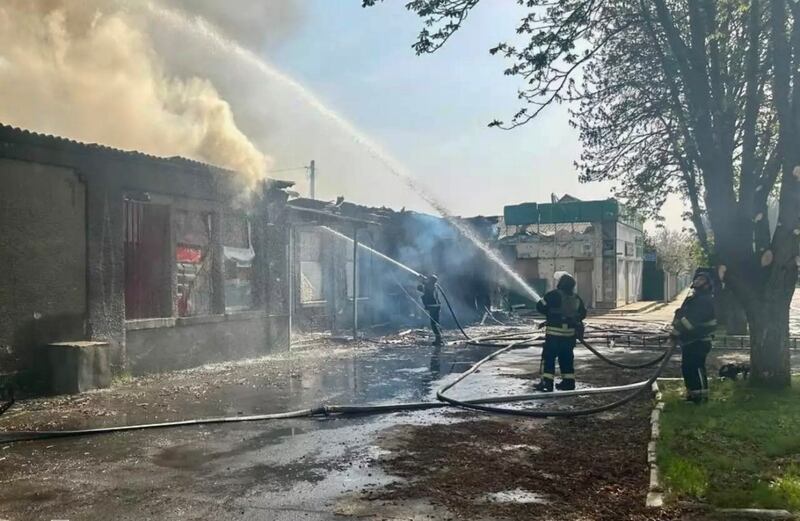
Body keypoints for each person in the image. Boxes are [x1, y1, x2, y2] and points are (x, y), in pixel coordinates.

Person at [534, 271, 587, 392]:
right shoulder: (576, 298)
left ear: (560, 284)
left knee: (549, 358)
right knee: (566, 358)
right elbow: (583, 313)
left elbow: (540, 306)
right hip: (569, 336)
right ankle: (568, 383)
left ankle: (547, 383)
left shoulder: (553, 295)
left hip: (554, 335)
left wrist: (550, 314)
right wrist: (574, 319)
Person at [671, 270, 717, 403]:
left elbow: (691, 322)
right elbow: (682, 318)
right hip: (690, 340)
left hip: (700, 340)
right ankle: (692, 396)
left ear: (707, 284)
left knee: (696, 368)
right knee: (688, 368)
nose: (697, 281)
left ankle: (701, 397)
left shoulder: (704, 300)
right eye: (697, 279)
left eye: (701, 279)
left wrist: (676, 332)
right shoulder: (693, 299)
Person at [417, 274, 443, 346]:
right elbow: (423, 289)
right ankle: (439, 339)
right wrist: (422, 280)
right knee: (436, 323)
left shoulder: (430, 286)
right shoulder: (431, 287)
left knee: (433, 324)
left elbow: (426, 285)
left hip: (433, 307)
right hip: (435, 306)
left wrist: (422, 279)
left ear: (431, 280)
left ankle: (438, 340)